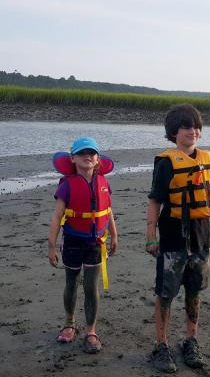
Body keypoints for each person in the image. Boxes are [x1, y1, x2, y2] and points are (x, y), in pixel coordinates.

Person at [146, 104, 210, 373]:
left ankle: (190, 340)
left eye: (196, 127)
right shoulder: (166, 163)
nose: (192, 131)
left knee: (194, 291)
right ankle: (161, 345)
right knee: (166, 292)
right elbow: (155, 202)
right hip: (172, 236)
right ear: (173, 132)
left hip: (200, 236)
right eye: (186, 126)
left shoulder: (206, 159)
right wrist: (151, 237)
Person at [48, 137, 118, 354]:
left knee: (90, 287)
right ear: (73, 159)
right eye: (82, 153)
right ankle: (69, 323)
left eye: (92, 153)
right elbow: (57, 215)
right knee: (71, 283)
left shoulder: (104, 184)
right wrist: (51, 245)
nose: (87, 156)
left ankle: (91, 330)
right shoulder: (66, 185)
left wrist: (114, 236)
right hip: (72, 242)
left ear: (97, 159)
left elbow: (108, 213)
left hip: (96, 243)